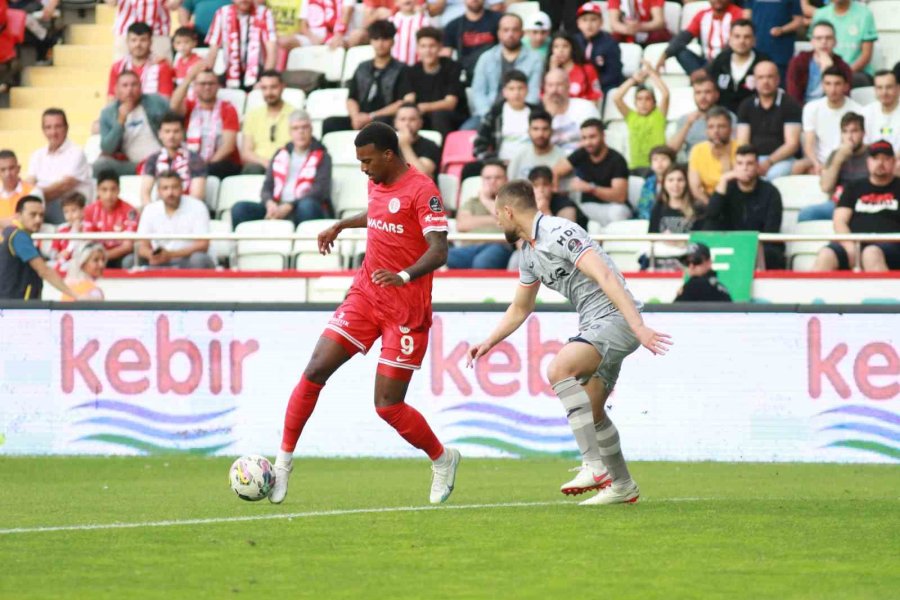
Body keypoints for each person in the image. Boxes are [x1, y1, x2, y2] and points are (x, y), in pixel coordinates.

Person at [268, 121, 459, 505]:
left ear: (389, 155)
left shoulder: (423, 191)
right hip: (366, 296)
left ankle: (442, 458)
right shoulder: (377, 181)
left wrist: (404, 275)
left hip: (405, 310)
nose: (363, 169)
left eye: (368, 161)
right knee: (315, 368)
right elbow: (378, 214)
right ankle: (282, 465)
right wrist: (341, 225)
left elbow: (439, 249)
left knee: (388, 405)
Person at [467, 179, 671, 505]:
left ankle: (592, 465)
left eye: (497, 215)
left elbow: (604, 275)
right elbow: (521, 307)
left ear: (508, 210)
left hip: (616, 320)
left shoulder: (560, 232)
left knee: (559, 369)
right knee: (592, 412)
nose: (496, 222)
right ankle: (621, 485)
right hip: (598, 324)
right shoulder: (529, 254)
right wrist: (489, 341)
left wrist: (639, 326)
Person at [231, 110, 332, 230]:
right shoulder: (280, 154)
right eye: (296, 128)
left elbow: (319, 191)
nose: (301, 132)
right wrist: (269, 203)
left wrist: (290, 205)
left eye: (305, 127)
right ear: (290, 132)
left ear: (311, 129)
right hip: (277, 206)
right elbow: (267, 187)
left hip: (301, 208)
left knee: (307, 206)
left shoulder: (323, 156)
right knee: (239, 209)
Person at [813, 140, 900, 272]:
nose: (880, 163)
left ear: (893, 162)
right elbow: (839, 221)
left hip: (892, 245)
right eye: (875, 159)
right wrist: (850, 246)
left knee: (871, 254)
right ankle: (813, 292)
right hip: (854, 242)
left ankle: (882, 293)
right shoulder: (854, 187)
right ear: (868, 162)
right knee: (826, 255)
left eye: (886, 159)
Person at [322, 20, 414, 136]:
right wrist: (355, 117)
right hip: (360, 117)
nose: (380, 44)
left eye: (384, 39)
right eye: (376, 39)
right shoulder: (362, 67)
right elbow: (351, 98)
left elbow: (404, 102)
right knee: (330, 123)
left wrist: (372, 116)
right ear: (371, 41)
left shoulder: (402, 69)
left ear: (392, 41)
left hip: (386, 119)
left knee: (381, 124)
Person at [707, 144, 785, 269]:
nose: (744, 168)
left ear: (757, 166)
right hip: (729, 243)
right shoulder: (727, 188)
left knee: (771, 254)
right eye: (740, 163)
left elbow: (772, 230)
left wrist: (746, 245)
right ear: (734, 166)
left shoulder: (771, 192)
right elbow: (711, 215)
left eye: (749, 163)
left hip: (761, 247)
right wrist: (723, 179)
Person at [553, 119, 631, 227]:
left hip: (613, 207)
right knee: (569, 211)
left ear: (603, 135)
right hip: (587, 208)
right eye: (584, 138)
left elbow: (619, 196)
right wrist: (557, 193)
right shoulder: (581, 154)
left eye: (592, 137)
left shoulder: (617, 160)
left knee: (618, 213)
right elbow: (555, 172)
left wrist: (591, 188)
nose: (588, 142)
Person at [0, 195, 81, 300]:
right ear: (18, 216)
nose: (38, 220)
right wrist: (76, 296)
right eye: (33, 215)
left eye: (41, 215)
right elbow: (44, 270)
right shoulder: (19, 236)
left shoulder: (9, 233)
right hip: (17, 306)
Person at [129, 170, 215, 269]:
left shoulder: (197, 206)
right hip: (160, 261)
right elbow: (141, 245)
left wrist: (170, 255)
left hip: (187, 259)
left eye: (174, 187)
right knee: (131, 261)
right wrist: (151, 254)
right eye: (165, 188)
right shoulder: (150, 210)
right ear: (159, 191)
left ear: (182, 188)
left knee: (199, 259)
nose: (170, 192)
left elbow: (203, 245)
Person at [469, 13, 543, 125]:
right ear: (499, 33)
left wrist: (520, 113)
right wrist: (488, 115)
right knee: (464, 134)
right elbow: (478, 92)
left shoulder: (534, 59)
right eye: (506, 30)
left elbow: (534, 93)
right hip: (489, 114)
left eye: (515, 30)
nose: (510, 34)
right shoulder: (486, 58)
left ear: (522, 33)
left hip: (524, 115)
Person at [171, 66, 242, 179]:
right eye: (202, 84)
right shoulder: (189, 106)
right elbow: (173, 106)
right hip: (192, 161)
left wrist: (205, 166)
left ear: (218, 86)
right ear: (195, 86)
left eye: (211, 83)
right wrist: (188, 79)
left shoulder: (227, 108)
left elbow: (228, 146)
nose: (207, 87)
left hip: (221, 163)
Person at [736, 61, 802, 181]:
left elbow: (792, 144)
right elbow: (742, 142)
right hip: (753, 159)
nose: (765, 81)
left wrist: (769, 162)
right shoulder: (746, 105)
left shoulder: (790, 105)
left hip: (782, 160)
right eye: (760, 77)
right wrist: (752, 163)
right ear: (754, 81)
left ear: (777, 79)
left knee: (772, 176)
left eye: (770, 77)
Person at [96, 71, 169, 177]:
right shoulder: (108, 113)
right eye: (125, 85)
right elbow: (107, 148)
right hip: (133, 165)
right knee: (100, 165)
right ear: (116, 90)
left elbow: (175, 121)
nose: (129, 89)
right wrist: (120, 121)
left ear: (140, 87)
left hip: (161, 159)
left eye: (134, 85)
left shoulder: (156, 101)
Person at [799, 111, 868, 223]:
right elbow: (825, 186)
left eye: (854, 131)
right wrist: (838, 159)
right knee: (806, 214)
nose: (850, 137)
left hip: (865, 203)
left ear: (863, 133)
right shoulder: (836, 154)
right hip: (839, 204)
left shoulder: (871, 154)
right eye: (845, 132)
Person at [26, 108, 93, 224]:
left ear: (66, 128)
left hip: (69, 207)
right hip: (42, 205)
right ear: (43, 130)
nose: (53, 132)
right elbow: (28, 184)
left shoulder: (76, 152)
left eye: (58, 126)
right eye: (48, 127)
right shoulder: (37, 155)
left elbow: (62, 187)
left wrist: (35, 196)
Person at [468, 70, 538, 178]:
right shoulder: (495, 114)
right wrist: (496, 162)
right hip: (501, 165)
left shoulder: (537, 113)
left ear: (527, 90)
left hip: (533, 164)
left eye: (520, 88)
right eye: (512, 89)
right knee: (469, 170)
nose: (516, 93)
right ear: (504, 91)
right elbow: (479, 146)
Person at [447, 160, 512, 269]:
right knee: (441, 257)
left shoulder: (512, 202)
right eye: (488, 178)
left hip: (498, 246)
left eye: (497, 177)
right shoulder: (472, 202)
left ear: (506, 180)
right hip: (469, 247)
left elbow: (509, 222)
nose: (492, 181)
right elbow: (462, 224)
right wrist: (495, 220)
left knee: (481, 263)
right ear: (482, 180)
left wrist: (485, 200)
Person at [795, 66, 859, 176]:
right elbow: (809, 144)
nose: (832, 89)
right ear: (822, 86)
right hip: (818, 161)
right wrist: (816, 164)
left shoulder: (858, 110)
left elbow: (856, 145)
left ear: (845, 86)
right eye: (828, 84)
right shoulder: (811, 108)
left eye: (837, 84)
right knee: (797, 167)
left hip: (846, 161)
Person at [205, 0, 276, 91]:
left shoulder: (264, 13)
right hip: (230, 71)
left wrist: (265, 80)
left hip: (258, 72)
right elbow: (213, 51)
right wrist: (208, 78)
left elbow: (271, 52)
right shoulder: (222, 13)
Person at [409, 27, 467, 138]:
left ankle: (444, 153)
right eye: (423, 46)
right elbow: (409, 99)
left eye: (432, 46)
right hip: (423, 116)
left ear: (440, 47)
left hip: (452, 116)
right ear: (417, 49)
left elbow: (450, 104)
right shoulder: (412, 71)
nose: (427, 51)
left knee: (439, 115)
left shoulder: (453, 67)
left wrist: (424, 107)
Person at [139, 113, 207, 207]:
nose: (171, 136)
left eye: (176, 131)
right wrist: (153, 212)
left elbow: (197, 195)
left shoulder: (194, 158)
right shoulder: (153, 159)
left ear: (183, 133)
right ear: (160, 134)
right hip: (161, 211)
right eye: (167, 131)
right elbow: (145, 193)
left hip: (188, 211)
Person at [658, 0, 743, 75]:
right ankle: (702, 77)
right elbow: (684, 37)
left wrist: (708, 69)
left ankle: (701, 78)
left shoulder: (738, 14)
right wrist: (665, 55)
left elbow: (733, 46)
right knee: (679, 51)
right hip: (705, 61)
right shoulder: (702, 15)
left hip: (727, 63)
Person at [612, 60, 669, 170]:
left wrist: (651, 72)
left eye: (647, 99)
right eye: (639, 99)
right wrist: (633, 79)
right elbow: (616, 98)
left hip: (657, 168)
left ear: (654, 103)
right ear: (635, 103)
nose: (643, 103)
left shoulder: (658, 116)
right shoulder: (631, 117)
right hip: (635, 168)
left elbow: (665, 94)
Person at [705, 18, 768, 114]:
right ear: (730, 39)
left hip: (754, 118)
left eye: (746, 37)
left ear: (754, 40)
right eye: (737, 36)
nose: (742, 41)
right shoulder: (720, 61)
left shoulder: (763, 63)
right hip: (723, 120)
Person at [240, 70, 298, 174]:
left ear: (282, 87)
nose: (269, 93)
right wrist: (266, 162)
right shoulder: (253, 115)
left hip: (286, 165)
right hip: (259, 165)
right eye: (264, 88)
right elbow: (246, 152)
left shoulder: (295, 114)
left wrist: (278, 163)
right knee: (252, 169)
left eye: (273, 87)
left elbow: (299, 149)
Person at [810, 0, 877, 88]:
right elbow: (815, 47)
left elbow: (866, 55)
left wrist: (844, 74)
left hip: (856, 72)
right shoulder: (820, 14)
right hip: (824, 70)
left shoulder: (864, 14)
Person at [667, 72, 736, 156]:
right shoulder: (685, 119)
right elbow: (670, 151)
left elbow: (735, 148)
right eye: (698, 93)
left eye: (707, 92)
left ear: (716, 95)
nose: (703, 97)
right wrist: (687, 125)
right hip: (690, 165)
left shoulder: (729, 118)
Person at [786, 20, 853, 105]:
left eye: (828, 38)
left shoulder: (843, 67)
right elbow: (793, 97)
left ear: (835, 42)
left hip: (832, 110)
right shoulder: (798, 62)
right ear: (812, 41)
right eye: (819, 38)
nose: (824, 42)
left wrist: (830, 70)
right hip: (801, 111)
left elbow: (844, 98)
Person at [82, 170, 139, 268]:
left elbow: (127, 246)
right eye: (104, 190)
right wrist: (99, 257)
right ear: (98, 190)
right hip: (96, 255)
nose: (109, 195)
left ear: (119, 190)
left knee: (129, 260)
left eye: (113, 189)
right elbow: (88, 241)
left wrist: (104, 256)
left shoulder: (130, 211)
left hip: (120, 256)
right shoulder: (89, 210)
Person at [107, 21, 175, 101]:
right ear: (127, 42)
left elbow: (165, 101)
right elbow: (111, 100)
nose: (138, 44)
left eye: (143, 40)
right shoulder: (118, 67)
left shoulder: (161, 67)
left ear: (150, 42)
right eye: (133, 40)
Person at [441, 0, 502, 83]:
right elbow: (446, 56)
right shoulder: (453, 26)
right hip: (467, 75)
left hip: (496, 73)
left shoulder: (499, 20)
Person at [688, 106, 738, 205]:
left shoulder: (741, 149)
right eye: (711, 127)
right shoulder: (698, 150)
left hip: (734, 199)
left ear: (731, 130)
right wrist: (712, 208)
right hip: (707, 201)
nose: (716, 131)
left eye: (721, 126)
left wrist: (724, 156)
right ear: (706, 131)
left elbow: (731, 187)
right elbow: (696, 189)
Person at [542, 68, 600, 154]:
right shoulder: (539, 114)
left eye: (559, 84)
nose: (554, 90)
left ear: (568, 86)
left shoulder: (585, 107)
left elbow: (596, 140)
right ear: (545, 88)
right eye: (550, 85)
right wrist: (549, 116)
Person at [743, 0, 802, 79]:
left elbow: (799, 21)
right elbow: (746, 19)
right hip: (757, 49)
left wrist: (782, 30)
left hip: (781, 52)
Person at [573, 2, 623, 94]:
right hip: (577, 87)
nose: (589, 24)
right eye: (584, 20)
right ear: (578, 23)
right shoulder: (573, 42)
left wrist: (591, 85)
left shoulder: (610, 43)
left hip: (603, 89)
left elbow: (613, 74)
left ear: (601, 22)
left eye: (593, 19)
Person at [507, 110, 568, 181]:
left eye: (545, 129)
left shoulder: (562, 157)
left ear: (551, 131)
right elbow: (510, 184)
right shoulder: (519, 155)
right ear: (528, 131)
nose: (540, 134)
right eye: (535, 129)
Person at [109, 0, 174, 61]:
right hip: (126, 32)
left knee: (162, 69)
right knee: (122, 69)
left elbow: (173, 5)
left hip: (158, 32)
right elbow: (112, 3)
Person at [546, 32, 602, 102]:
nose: (560, 50)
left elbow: (595, 97)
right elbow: (548, 100)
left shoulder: (587, 70)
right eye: (556, 47)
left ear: (572, 48)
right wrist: (553, 70)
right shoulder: (547, 71)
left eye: (565, 46)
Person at [277, 0, 350, 52]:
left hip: (334, 35)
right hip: (312, 37)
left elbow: (345, 15)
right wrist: (313, 38)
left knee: (340, 45)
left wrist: (338, 35)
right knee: (284, 41)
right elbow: (303, 26)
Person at [394, 103, 441, 180]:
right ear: (395, 123)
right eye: (402, 119)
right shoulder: (388, 145)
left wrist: (405, 146)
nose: (407, 124)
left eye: (412, 119)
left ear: (420, 123)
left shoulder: (430, 146)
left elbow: (423, 177)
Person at [861, 71, 900, 155]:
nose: (884, 92)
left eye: (889, 87)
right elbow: (863, 145)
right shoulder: (865, 112)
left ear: (898, 88)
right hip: (872, 162)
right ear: (874, 90)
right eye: (879, 88)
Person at [0, 150, 42, 227]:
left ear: (18, 168)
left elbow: (31, 222)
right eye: (3, 170)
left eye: (11, 168)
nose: (8, 174)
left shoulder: (33, 192)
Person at [50, 193, 86, 277]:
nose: (70, 215)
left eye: (73, 210)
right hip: (61, 262)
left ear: (82, 211)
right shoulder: (61, 229)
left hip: (79, 263)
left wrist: (76, 230)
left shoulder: (87, 228)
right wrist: (58, 255)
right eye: (66, 211)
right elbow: (53, 250)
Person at [635, 145, 675, 220]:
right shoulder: (649, 182)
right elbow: (644, 205)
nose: (659, 163)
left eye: (664, 159)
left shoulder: (677, 181)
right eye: (655, 159)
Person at [390, 0, 430, 66]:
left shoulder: (424, 21)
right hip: (395, 68)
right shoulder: (391, 21)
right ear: (395, 2)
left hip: (417, 66)